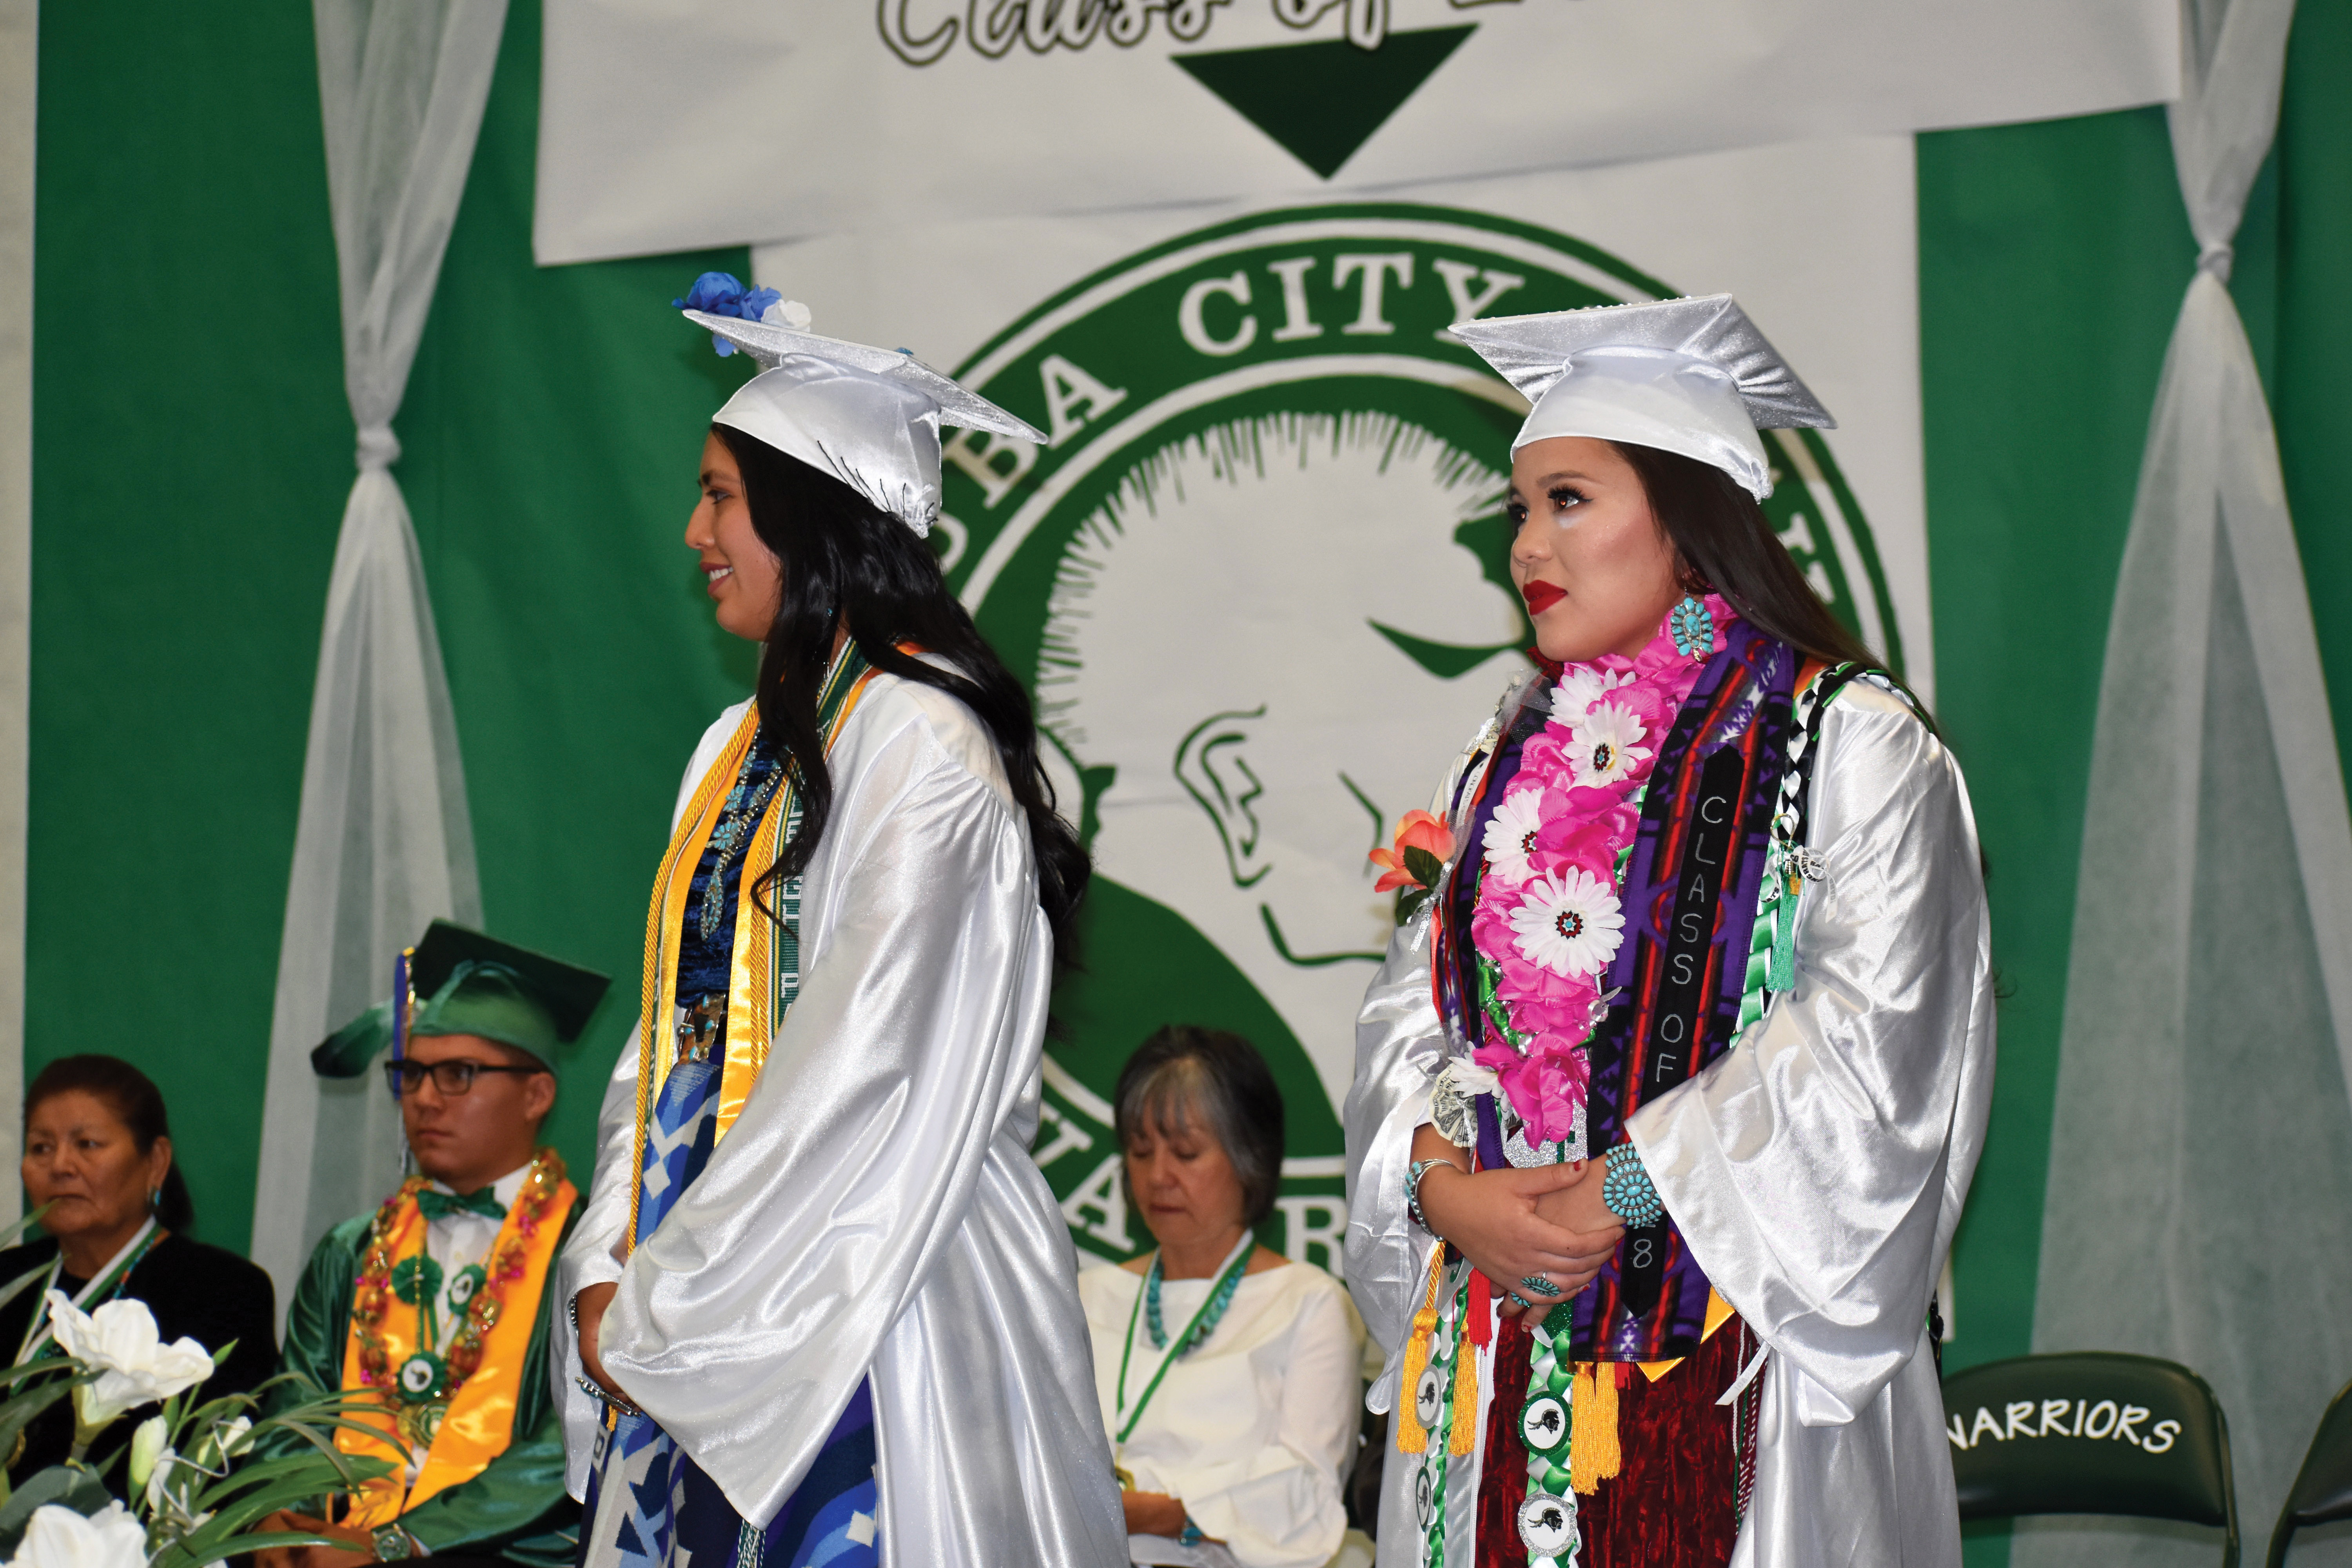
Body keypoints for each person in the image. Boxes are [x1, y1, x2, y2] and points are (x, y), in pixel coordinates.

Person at [1343, 295, 1994, 1568]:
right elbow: (1411, 1015)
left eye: (1568, 499)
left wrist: (1628, 1187)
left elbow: (1878, 1042)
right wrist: (1440, 1185)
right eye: (1519, 508)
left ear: (1689, 517)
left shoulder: (1848, 740)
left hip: (1748, 1370)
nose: (1525, 543)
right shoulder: (1505, 759)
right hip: (1495, 1364)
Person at [558, 277, 1127, 1568]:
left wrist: (673, 1303)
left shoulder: (920, 742)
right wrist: (610, 1261)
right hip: (696, 1278)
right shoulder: (738, 745)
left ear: (808, 518)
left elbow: (869, 1065)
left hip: (872, 1286)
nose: (693, 528)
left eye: (719, 493)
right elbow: (674, 1036)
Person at [258, 920, 610, 1568]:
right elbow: (300, 1403)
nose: (423, 1099)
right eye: (411, 1074)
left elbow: (569, 1440)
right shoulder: (350, 1249)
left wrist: (397, 1545)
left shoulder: (591, 1254)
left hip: (508, 1553)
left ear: (537, 1094)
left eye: (457, 1075)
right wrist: (292, 1520)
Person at [1078, 1027, 1366, 1568]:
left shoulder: (1309, 1302)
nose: (1158, 1176)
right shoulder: (1086, 1297)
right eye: (1140, 1151)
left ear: (1250, 1160)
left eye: (1185, 1153)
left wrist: (1158, 1513)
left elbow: (1304, 1492)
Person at [0, 1055, 276, 1478]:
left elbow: (219, 1469)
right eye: (41, 1147)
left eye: (87, 1144)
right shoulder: (10, 1280)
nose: (60, 1165)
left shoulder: (224, 1293)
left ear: (156, 1162)